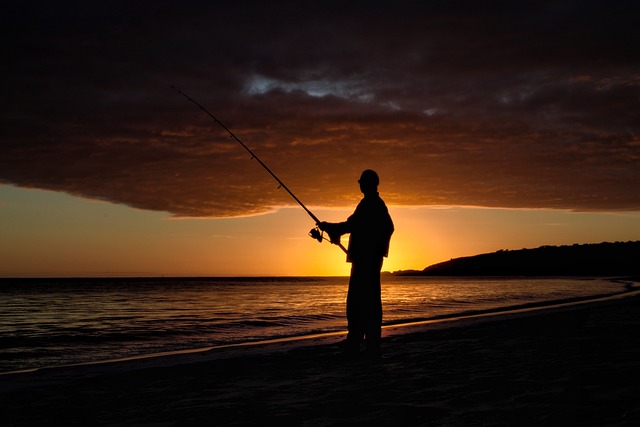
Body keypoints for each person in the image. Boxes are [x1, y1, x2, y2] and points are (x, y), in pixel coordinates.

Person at [318, 169, 394, 357]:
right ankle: (362, 339)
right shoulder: (372, 204)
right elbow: (355, 225)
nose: (359, 184)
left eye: (361, 182)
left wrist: (331, 228)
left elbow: (353, 226)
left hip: (366, 261)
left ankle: (362, 341)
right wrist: (334, 230)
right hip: (367, 259)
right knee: (366, 300)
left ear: (369, 184)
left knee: (359, 300)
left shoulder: (372, 204)